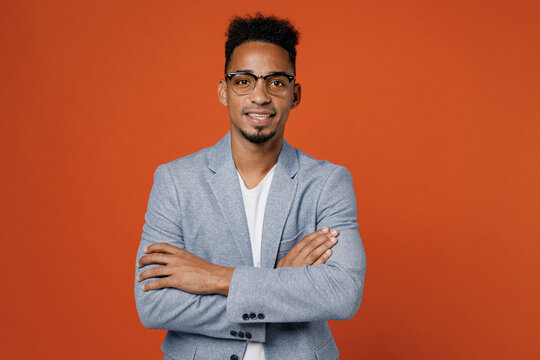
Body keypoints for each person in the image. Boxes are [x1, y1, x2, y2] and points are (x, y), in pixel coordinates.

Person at [134, 13, 366, 360]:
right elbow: (153, 303)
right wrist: (278, 286)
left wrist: (217, 278)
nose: (260, 96)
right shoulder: (175, 181)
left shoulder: (327, 183)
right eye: (244, 81)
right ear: (224, 91)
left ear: (295, 94)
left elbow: (342, 292)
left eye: (276, 82)